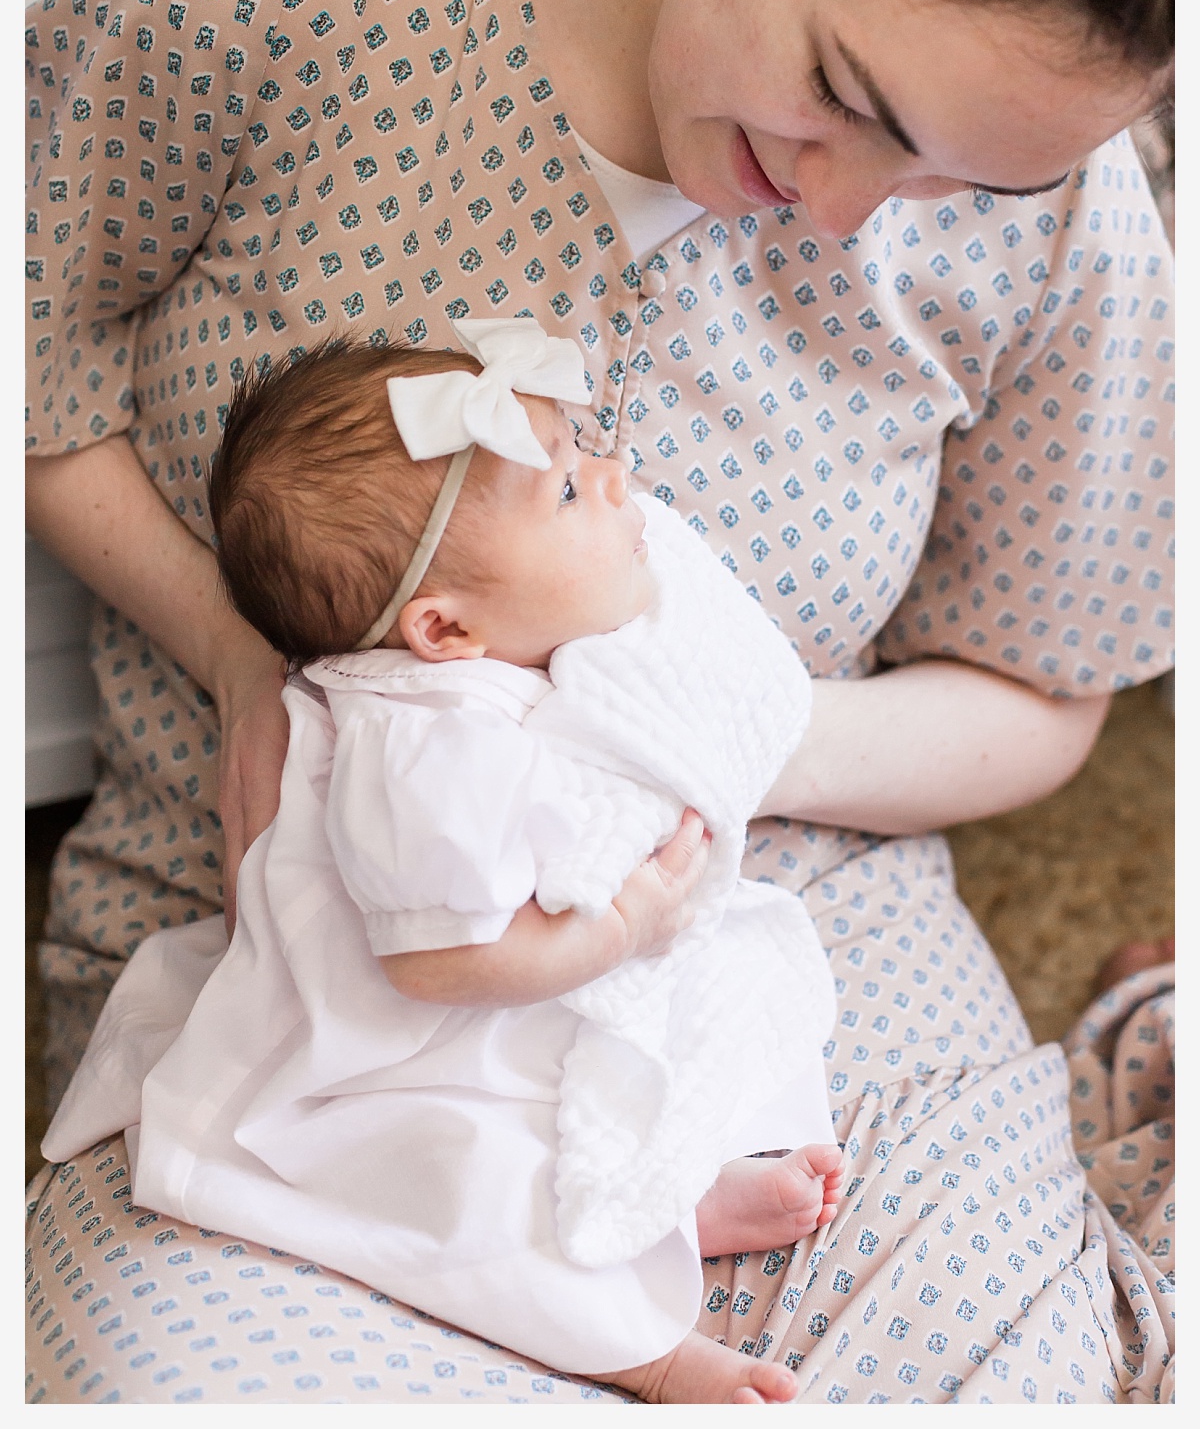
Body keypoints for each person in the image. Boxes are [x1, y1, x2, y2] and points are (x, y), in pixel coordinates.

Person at [25, 0, 1173, 1406]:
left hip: (791, 926)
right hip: (308, 939)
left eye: (963, 184)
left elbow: (1045, 675)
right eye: (844, 91)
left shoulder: (1073, 201)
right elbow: (29, 344)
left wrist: (703, 732)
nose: (854, 213)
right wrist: (238, 640)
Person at [43, 319, 845, 1403]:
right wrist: (621, 927)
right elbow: (434, 967)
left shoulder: (502, 656)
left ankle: (675, 1191)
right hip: (398, 1048)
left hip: (517, 997)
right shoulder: (421, 753)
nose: (612, 480)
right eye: (564, 491)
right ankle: (645, 1352)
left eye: (580, 459)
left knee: (708, 1008)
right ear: (442, 629)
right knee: (468, 1186)